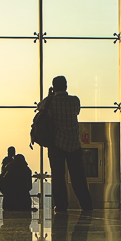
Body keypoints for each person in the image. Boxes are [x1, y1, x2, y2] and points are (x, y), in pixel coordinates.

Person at [37, 76, 93, 213]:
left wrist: (50, 95)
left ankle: (61, 206)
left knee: (58, 177)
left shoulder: (51, 102)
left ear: (53, 87)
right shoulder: (75, 101)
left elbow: (40, 107)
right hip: (74, 145)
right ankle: (86, 204)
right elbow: (77, 112)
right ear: (66, 86)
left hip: (57, 145)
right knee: (78, 177)